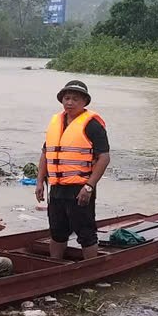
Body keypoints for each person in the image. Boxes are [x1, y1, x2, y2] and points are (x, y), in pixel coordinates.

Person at [35, 80, 111, 260]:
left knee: (85, 231)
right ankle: (55, 265)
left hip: (80, 188)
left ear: (84, 101)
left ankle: (91, 269)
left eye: (75, 99)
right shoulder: (57, 122)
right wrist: (39, 181)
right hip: (57, 188)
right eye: (66, 98)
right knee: (57, 229)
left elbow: (104, 157)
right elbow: (46, 153)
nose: (69, 102)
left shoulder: (92, 125)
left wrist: (89, 186)